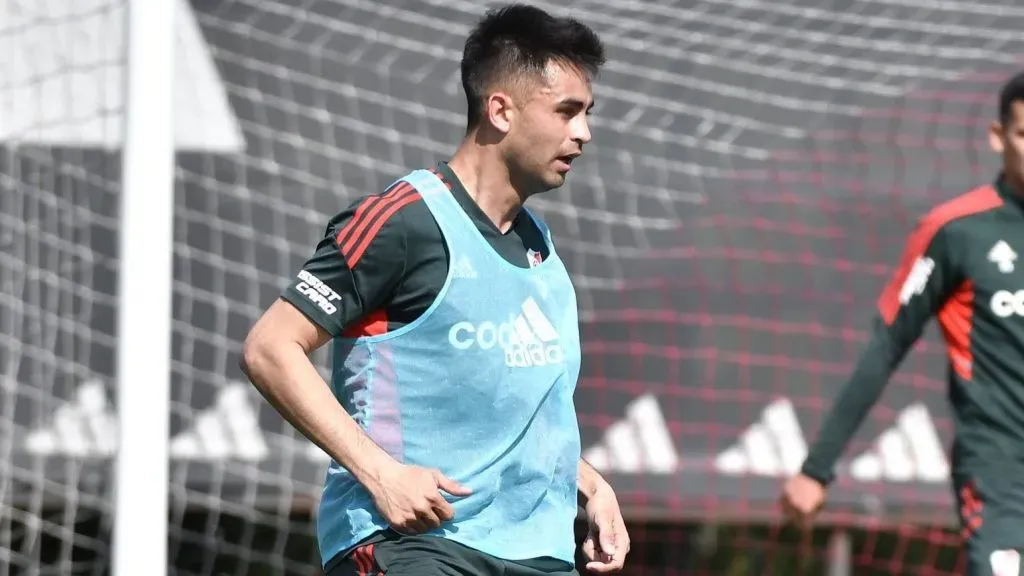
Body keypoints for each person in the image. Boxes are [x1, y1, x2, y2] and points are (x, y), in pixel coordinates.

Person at [240, 4, 630, 575]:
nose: (584, 132)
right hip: (416, 545)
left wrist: (591, 486)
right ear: (501, 110)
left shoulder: (537, 242)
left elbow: (508, 413)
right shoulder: (404, 221)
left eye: (587, 113)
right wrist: (382, 475)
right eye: (567, 111)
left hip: (539, 554)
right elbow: (270, 348)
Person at [780, 70, 1024, 576]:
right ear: (999, 137)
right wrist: (816, 469)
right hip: (1001, 471)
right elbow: (886, 347)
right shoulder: (957, 231)